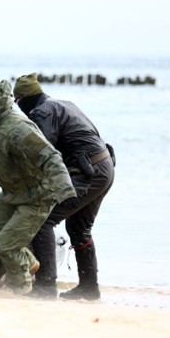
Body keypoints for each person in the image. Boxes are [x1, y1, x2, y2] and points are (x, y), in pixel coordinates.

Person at [0, 80, 77, 295]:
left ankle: (19, 285)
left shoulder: (18, 128)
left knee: (5, 245)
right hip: (12, 192)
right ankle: (28, 262)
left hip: (38, 196)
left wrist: (65, 190)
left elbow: (51, 158)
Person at [14, 73, 115, 300]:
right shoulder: (64, 104)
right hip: (104, 168)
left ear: (22, 99)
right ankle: (89, 289)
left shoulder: (42, 112)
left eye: (16, 102)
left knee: (43, 219)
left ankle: (46, 287)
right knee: (79, 229)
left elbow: (43, 152)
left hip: (88, 173)